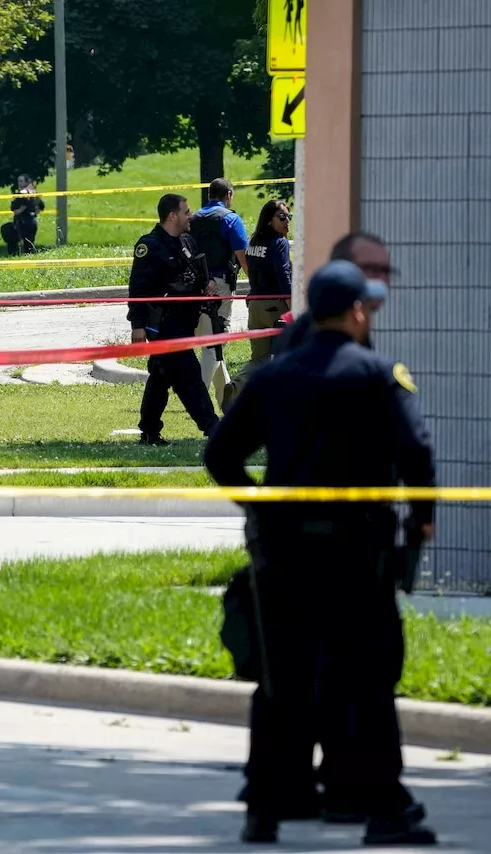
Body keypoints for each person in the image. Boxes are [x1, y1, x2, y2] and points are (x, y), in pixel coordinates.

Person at [204, 260, 438, 846]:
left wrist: (259, 506)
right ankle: (383, 807)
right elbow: (417, 453)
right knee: (366, 677)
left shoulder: (273, 377)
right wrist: (423, 520)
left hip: (283, 555)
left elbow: (220, 454)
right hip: (357, 555)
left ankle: (266, 804)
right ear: (357, 311)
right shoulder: (380, 375)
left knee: (281, 676)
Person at [128, 193, 220, 446]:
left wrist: (208, 284)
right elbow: (138, 289)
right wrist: (137, 325)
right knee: (188, 374)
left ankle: (149, 430)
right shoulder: (150, 245)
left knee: (161, 375)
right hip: (164, 324)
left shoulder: (187, 242)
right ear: (172, 215)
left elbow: (198, 274)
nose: (190, 216)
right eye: (186, 212)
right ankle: (214, 428)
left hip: (185, 321)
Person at [272, 231, 395, 357]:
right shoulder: (304, 339)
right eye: (372, 269)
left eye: (386, 271)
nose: (381, 280)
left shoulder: (356, 330)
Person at [221, 200, 293, 407]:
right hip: (275, 307)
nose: (287, 221)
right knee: (286, 356)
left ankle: (236, 385)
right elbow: (284, 275)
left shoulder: (254, 243)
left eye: (289, 216)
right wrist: (292, 306)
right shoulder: (278, 242)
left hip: (255, 305)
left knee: (259, 357)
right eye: (282, 217)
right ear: (269, 221)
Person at [188, 178, 249, 409]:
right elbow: (242, 256)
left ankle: (227, 400)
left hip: (196, 285)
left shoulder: (192, 218)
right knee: (214, 343)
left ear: (208, 195)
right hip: (220, 287)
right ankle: (197, 399)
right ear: (229, 194)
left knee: (211, 342)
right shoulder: (230, 219)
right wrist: (257, 285)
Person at [5, 174, 44, 255]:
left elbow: (23, 206)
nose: (19, 183)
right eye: (19, 181)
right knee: (29, 242)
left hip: (22, 221)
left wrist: (18, 211)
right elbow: (41, 206)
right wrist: (34, 213)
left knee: (12, 238)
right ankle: (29, 257)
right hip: (32, 220)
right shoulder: (34, 192)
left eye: (21, 181)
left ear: (26, 182)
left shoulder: (22, 193)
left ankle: (15, 256)